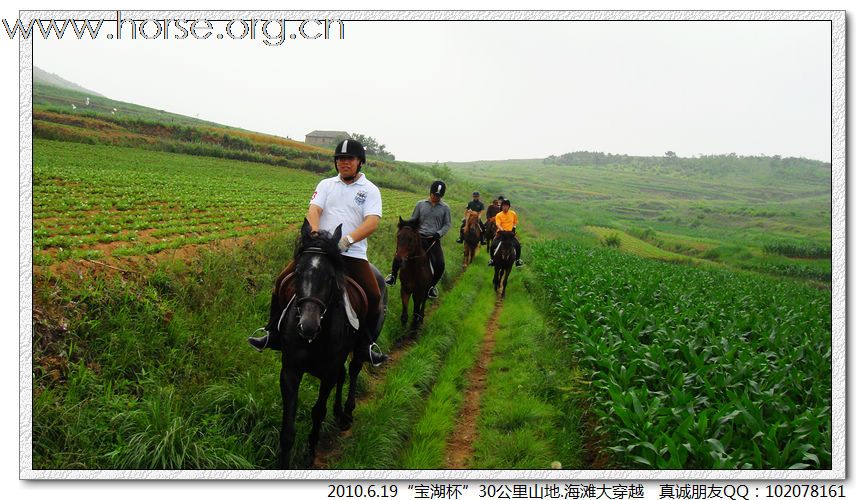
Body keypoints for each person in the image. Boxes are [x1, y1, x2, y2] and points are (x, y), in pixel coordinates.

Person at [248, 138, 389, 366]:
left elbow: (372, 222)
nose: (344, 163)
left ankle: (364, 345)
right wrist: (314, 233)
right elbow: (314, 210)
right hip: (320, 250)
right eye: (340, 159)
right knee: (281, 281)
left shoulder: (370, 190)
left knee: (374, 296)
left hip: (351, 254)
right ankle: (272, 332)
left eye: (349, 159)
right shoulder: (326, 184)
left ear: (359, 162)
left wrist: (347, 240)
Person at [384, 180, 451, 299]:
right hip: (418, 238)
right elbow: (413, 220)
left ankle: (432, 287)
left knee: (440, 264)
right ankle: (393, 276)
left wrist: (439, 233)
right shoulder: (420, 204)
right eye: (434, 194)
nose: (436, 197)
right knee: (400, 254)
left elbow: (447, 224)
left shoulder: (445, 208)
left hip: (433, 240)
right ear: (430, 192)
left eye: (438, 196)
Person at [488, 199, 524, 267]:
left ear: (509, 207)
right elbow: (498, 224)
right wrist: (502, 230)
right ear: (501, 207)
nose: (505, 207)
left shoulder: (513, 213)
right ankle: (492, 260)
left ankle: (517, 260)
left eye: (506, 206)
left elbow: (515, 222)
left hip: (510, 234)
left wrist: (514, 227)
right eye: (504, 206)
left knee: (518, 245)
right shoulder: (499, 215)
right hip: (501, 233)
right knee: (493, 245)